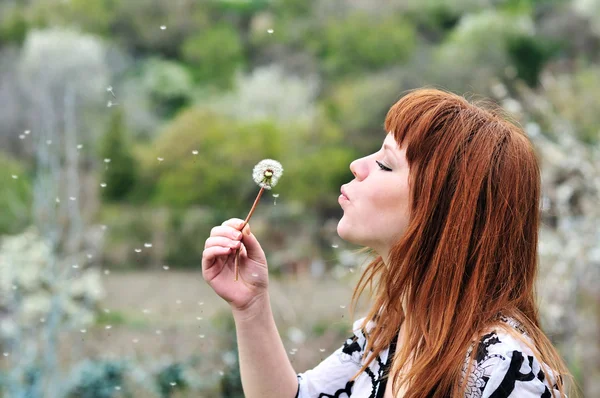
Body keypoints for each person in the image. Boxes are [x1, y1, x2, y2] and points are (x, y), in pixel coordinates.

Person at [201, 88, 572, 397]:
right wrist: (251, 308)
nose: (357, 166)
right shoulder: (387, 333)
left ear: (443, 209)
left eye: (385, 164)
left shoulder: (499, 366)